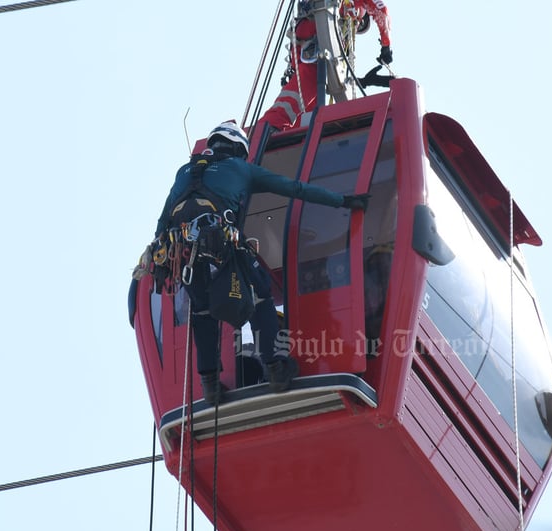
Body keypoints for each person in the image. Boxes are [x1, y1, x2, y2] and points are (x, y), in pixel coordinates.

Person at [148, 121, 369, 405]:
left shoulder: (184, 171)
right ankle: (276, 369)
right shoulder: (242, 169)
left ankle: (211, 387)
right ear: (239, 149)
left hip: (183, 251)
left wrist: (161, 257)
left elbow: (163, 221)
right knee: (262, 293)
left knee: (202, 312)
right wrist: (342, 201)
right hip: (222, 244)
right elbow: (294, 188)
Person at [258, 0, 393, 131]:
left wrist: (362, 81)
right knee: (309, 82)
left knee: (311, 102)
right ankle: (270, 124)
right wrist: (386, 47)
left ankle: (291, 135)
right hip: (318, 40)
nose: (356, 26)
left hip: (305, 43)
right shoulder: (352, 7)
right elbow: (381, 11)